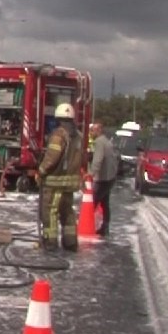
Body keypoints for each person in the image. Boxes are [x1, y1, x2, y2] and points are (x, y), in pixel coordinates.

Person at [36, 103, 84, 251]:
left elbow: (52, 157)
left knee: (50, 211)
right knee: (67, 212)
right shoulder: (79, 135)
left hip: (54, 181)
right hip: (70, 182)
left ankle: (50, 242)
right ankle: (70, 242)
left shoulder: (59, 135)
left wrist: (41, 171)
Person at [89, 121, 118, 237]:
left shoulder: (99, 142)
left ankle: (89, 225)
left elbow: (98, 159)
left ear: (99, 130)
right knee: (105, 203)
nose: (91, 132)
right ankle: (105, 227)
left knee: (94, 201)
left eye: (93, 130)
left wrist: (91, 173)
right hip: (110, 177)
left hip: (103, 178)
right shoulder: (107, 141)